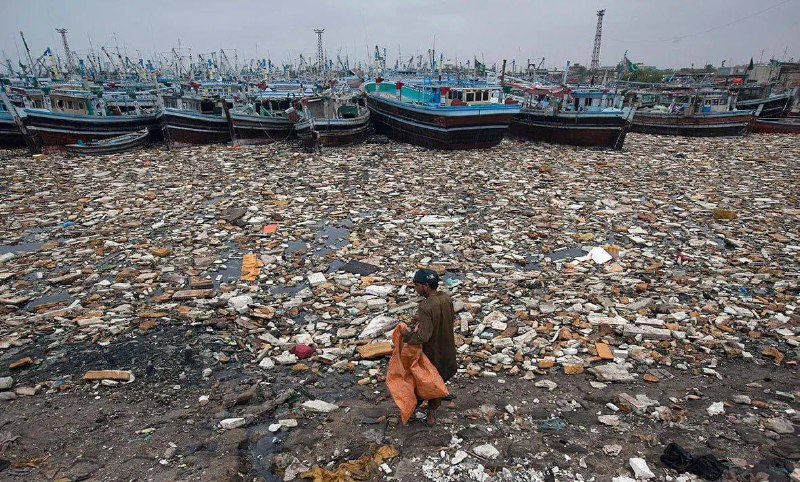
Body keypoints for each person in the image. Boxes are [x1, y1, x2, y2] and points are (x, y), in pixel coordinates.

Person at [400, 268, 457, 426]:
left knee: (422, 381)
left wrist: (406, 335)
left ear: (425, 285)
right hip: (447, 348)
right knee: (437, 381)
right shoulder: (446, 298)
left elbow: (423, 336)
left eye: (416, 285)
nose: (415, 288)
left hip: (433, 352)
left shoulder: (425, 306)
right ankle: (431, 414)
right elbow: (450, 318)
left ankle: (411, 410)